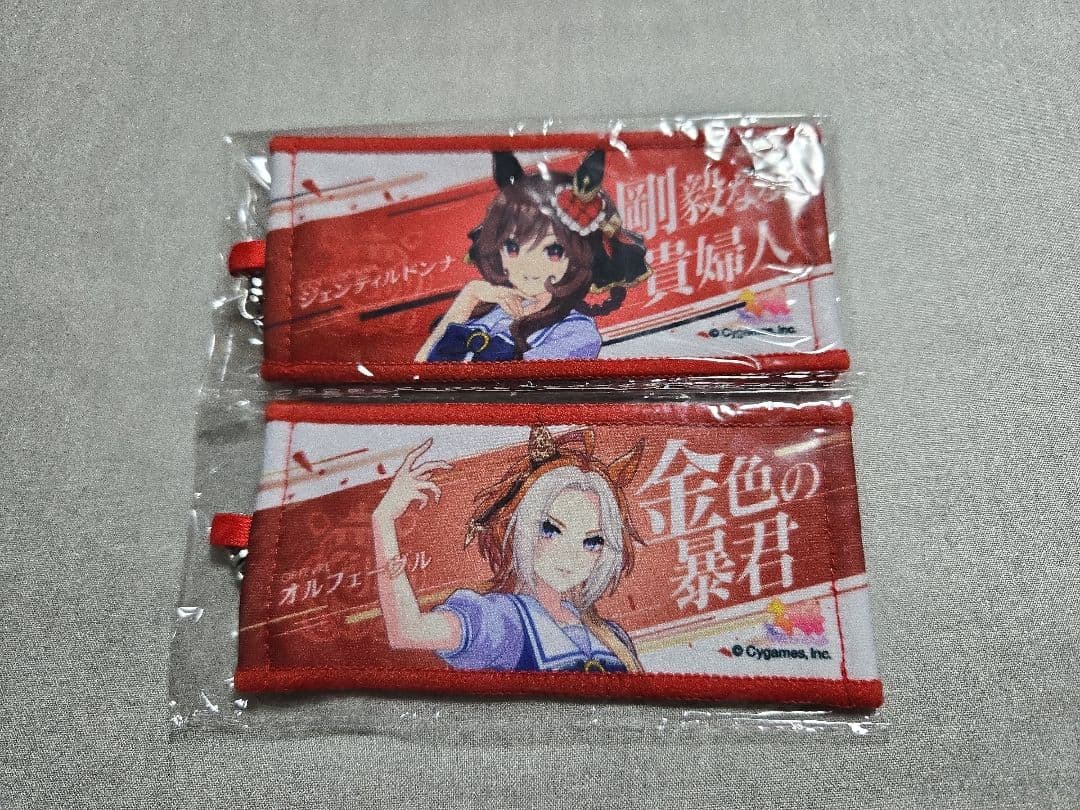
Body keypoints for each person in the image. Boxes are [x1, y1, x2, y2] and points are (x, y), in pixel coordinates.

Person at [369, 426, 646, 672]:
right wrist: (383, 519)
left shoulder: (612, 636)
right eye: (550, 530)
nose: (570, 554)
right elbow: (408, 630)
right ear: (519, 529)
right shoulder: (503, 622)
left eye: (592, 542)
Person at [414, 149, 651, 362]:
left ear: (579, 257)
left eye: (553, 251)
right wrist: (470, 295)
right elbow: (420, 376)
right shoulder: (489, 310)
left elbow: (516, 392)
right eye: (512, 248)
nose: (528, 265)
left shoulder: (576, 333)